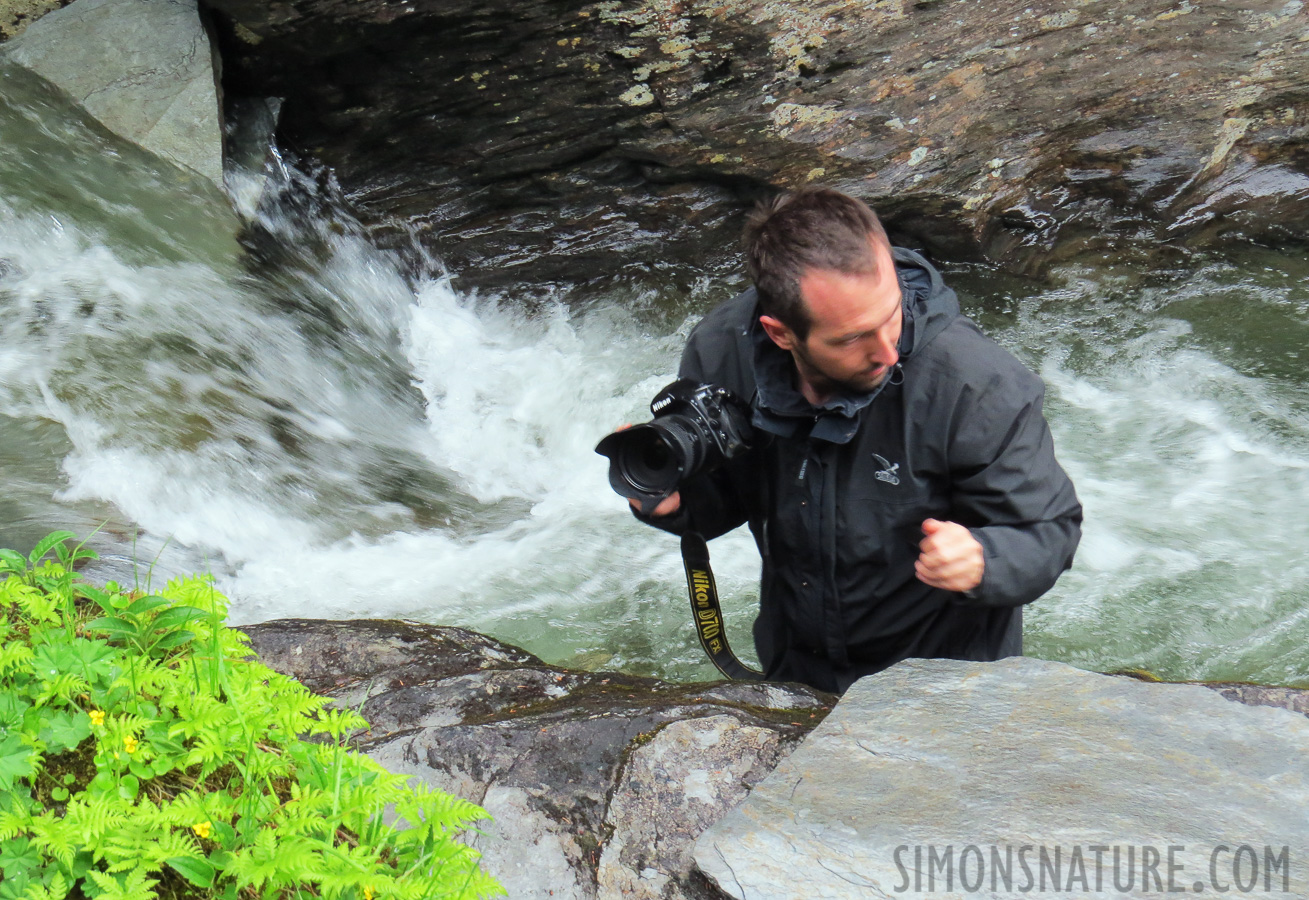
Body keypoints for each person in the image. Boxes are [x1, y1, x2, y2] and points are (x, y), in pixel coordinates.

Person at [630, 186, 1082, 694]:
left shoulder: (976, 386)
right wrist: (675, 502)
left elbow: (1050, 528)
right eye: (852, 338)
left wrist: (985, 558)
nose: (887, 351)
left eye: (891, 316)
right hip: (797, 669)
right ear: (781, 334)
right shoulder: (722, 352)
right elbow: (730, 493)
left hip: (948, 687)